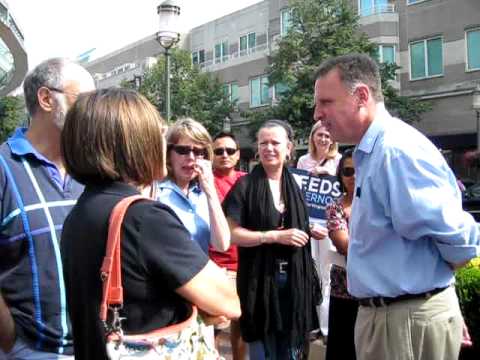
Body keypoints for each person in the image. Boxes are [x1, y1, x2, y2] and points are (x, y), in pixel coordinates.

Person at [313, 53, 480, 360]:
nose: (317, 114)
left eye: (325, 102)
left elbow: (459, 240)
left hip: (403, 322)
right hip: (393, 319)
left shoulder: (395, 152)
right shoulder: (375, 151)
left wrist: (430, 295)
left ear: (362, 96)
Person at [60, 88, 241, 360]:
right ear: (134, 143)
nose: (162, 143)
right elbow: (228, 302)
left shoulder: (82, 211)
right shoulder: (144, 217)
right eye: (159, 134)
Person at [0, 58, 95, 359]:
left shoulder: (93, 169)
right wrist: (12, 341)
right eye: (84, 101)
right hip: (31, 350)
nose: (93, 111)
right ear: (46, 99)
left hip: (98, 346)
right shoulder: (4, 168)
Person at [223, 119, 323, 359]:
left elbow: (291, 223)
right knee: (262, 352)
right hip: (259, 282)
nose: (268, 148)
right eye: (263, 142)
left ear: (289, 147)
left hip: (294, 283)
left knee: (291, 352)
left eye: (275, 142)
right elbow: (230, 235)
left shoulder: (296, 185)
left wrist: (308, 229)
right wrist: (272, 236)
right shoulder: (244, 185)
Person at [155, 118, 230, 254]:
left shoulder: (203, 193)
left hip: (199, 273)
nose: (191, 157)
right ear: (168, 154)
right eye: (182, 150)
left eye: (198, 151)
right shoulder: (155, 191)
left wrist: (210, 191)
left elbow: (222, 244)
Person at [209, 131, 247, 360]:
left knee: (242, 323)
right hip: (215, 265)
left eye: (229, 150)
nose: (224, 155)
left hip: (246, 263)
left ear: (238, 154)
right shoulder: (203, 182)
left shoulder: (248, 181)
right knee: (212, 325)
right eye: (219, 151)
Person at [325, 148, 358, 360]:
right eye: (347, 171)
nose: (354, 176)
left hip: (376, 292)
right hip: (344, 290)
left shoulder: (382, 203)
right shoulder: (334, 207)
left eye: (359, 169)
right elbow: (344, 245)